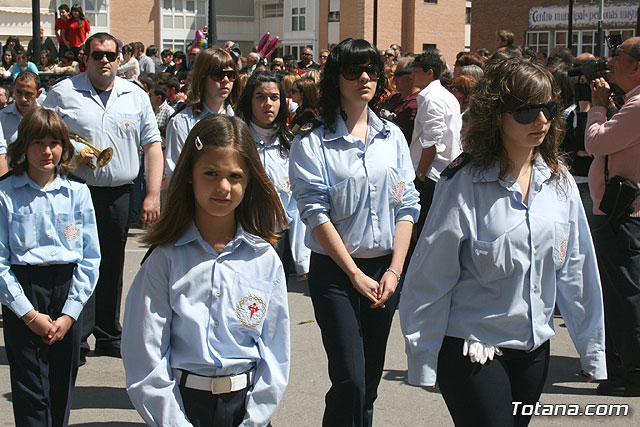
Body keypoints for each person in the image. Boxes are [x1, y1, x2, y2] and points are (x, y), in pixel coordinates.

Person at [400, 56, 606, 427]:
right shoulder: (463, 184)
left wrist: (592, 350)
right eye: (526, 111)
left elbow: (576, 271)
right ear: (497, 115)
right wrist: (423, 356)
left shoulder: (559, 185)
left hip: (532, 354)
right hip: (473, 349)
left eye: (548, 109)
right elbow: (429, 277)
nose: (541, 121)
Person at [122, 114, 290, 426]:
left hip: (247, 409)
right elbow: (145, 355)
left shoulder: (264, 258)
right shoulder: (165, 259)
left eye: (236, 176)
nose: (223, 187)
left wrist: (255, 419)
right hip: (183, 407)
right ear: (189, 174)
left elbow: (276, 353)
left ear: (250, 180)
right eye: (210, 173)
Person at [289, 38, 420, 427]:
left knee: (369, 381)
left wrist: (394, 271)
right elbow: (315, 213)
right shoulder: (312, 140)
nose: (365, 77)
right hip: (336, 273)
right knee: (350, 379)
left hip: (384, 272)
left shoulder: (392, 136)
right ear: (336, 77)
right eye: (354, 70)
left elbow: (406, 205)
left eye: (372, 70)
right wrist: (354, 274)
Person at [43, 32, 163, 365]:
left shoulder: (134, 95)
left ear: (120, 57)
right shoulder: (61, 93)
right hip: (75, 192)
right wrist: (68, 155)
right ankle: (77, 335)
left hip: (119, 194)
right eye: (97, 55)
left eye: (111, 54)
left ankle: (109, 333)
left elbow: (153, 145)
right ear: (86, 58)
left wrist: (152, 194)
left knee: (111, 264)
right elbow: (41, 137)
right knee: (75, 264)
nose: (105, 61)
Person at [0, 107, 100, 426]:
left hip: (66, 289)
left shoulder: (78, 194)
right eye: (38, 142)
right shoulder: (6, 194)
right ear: (24, 145)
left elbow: (89, 257)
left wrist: (71, 314)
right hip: (24, 290)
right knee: (31, 389)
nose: (47, 151)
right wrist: (28, 314)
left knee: (61, 384)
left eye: (54, 143)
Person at [585, 37, 640, 397]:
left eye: (618, 55)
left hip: (624, 215)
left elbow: (596, 142)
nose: (611, 61)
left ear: (636, 65)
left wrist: (598, 107)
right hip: (621, 213)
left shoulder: (637, 105)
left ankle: (630, 372)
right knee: (621, 293)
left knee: (626, 295)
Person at [237, 71, 311, 279]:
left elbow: (296, 204)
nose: (268, 103)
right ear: (249, 101)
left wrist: (302, 258)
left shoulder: (292, 143)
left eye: (274, 97)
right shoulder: (236, 139)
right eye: (260, 97)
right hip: (242, 237)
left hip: (279, 240)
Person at [165, 47, 237, 185]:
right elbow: (176, 174)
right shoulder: (181, 123)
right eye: (218, 74)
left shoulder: (240, 120)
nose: (226, 80)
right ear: (202, 77)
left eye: (231, 74)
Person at [410, 50, 462, 236]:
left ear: (429, 72)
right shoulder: (447, 96)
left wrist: (421, 172)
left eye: (416, 71)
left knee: (425, 229)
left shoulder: (431, 98)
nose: (412, 75)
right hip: (444, 171)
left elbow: (432, 141)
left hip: (432, 174)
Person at [0, 71, 42, 149]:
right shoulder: (2, 118)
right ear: (14, 89)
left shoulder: (46, 119)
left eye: (28, 94)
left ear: (38, 94)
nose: (23, 99)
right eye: (19, 92)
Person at [383, 57, 420, 143]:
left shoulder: (416, 103)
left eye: (399, 74)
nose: (394, 78)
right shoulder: (393, 98)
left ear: (412, 75)